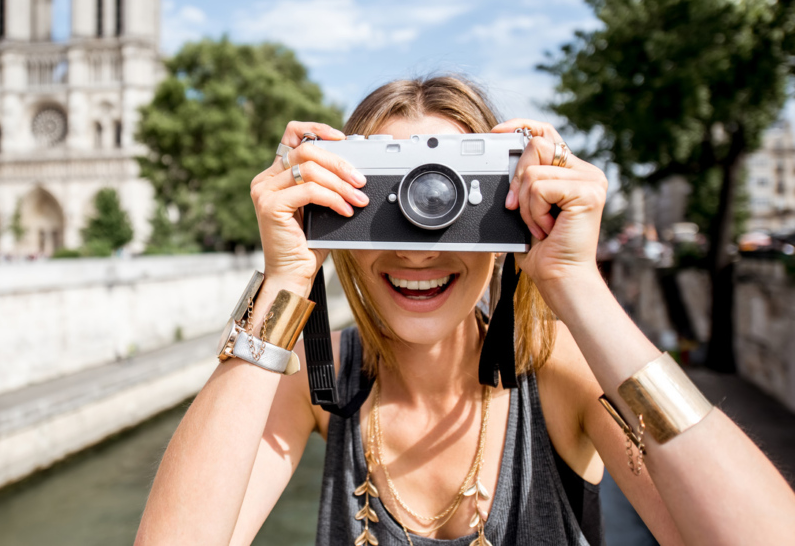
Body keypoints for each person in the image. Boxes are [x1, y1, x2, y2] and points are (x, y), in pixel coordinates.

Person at [136, 76, 795, 545]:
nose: (418, 247)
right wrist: (284, 278)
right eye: (383, 202)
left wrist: (578, 284)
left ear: (507, 206)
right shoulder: (323, 379)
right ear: (332, 209)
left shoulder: (558, 371)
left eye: (454, 204)